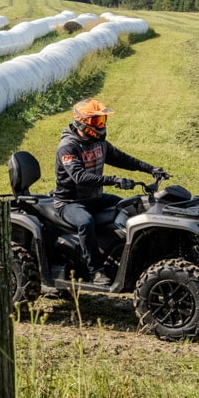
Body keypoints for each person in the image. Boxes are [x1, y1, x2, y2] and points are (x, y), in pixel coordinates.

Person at [53, 98, 167, 280]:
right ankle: (95, 270)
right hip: (70, 202)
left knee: (130, 205)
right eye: (96, 121)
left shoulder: (98, 142)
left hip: (94, 199)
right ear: (81, 122)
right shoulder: (68, 147)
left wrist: (150, 168)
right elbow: (79, 177)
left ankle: (121, 252)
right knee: (85, 222)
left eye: (102, 120)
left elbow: (123, 158)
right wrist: (113, 180)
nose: (100, 125)